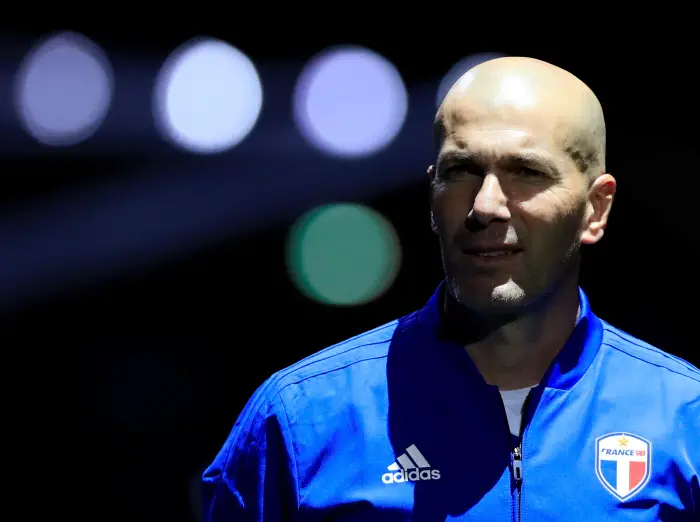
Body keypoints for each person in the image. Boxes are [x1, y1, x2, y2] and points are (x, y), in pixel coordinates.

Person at [201, 57, 700, 521]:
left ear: (596, 209)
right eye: (460, 171)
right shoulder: (300, 420)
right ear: (431, 195)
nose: (485, 205)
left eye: (526, 172)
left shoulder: (685, 417)